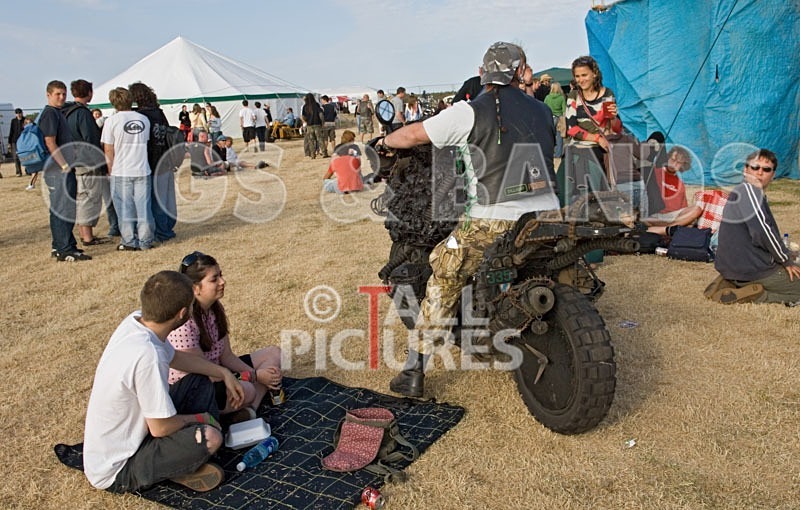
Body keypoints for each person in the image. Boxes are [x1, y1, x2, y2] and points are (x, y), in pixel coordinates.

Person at [380, 42, 557, 397]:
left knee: (442, 273)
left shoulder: (467, 111)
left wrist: (385, 139)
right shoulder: (543, 111)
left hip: (493, 219)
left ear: (482, 74)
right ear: (522, 71)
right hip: (545, 215)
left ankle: (414, 372)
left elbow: (413, 134)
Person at [83, 270, 245, 493]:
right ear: (181, 314)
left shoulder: (136, 322)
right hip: (120, 466)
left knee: (198, 380)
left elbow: (176, 357)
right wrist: (200, 418)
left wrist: (224, 373)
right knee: (210, 437)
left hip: (139, 434)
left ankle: (191, 450)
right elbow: (160, 428)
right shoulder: (148, 356)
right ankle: (181, 466)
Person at [168, 252, 284, 416]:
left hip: (219, 372)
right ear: (195, 288)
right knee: (249, 390)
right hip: (198, 388)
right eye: (214, 279)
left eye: (221, 275)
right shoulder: (185, 323)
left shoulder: (215, 308)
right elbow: (204, 374)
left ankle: (247, 412)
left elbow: (227, 356)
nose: (223, 282)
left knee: (274, 354)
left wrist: (258, 375)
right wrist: (256, 377)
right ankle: (244, 407)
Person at [712, 149, 800, 305]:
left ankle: (736, 282)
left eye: (766, 169)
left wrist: (786, 253)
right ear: (746, 170)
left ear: (772, 175)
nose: (759, 173)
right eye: (755, 167)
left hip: (741, 265)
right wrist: (785, 260)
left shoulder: (749, 193)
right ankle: (754, 294)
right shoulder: (748, 190)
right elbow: (762, 232)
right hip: (753, 268)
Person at [559, 55, 622, 206]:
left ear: (594, 73)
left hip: (598, 153)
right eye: (577, 76)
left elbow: (616, 129)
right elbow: (571, 129)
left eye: (584, 75)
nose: (581, 80)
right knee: (564, 196)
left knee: (594, 198)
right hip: (575, 152)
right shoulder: (574, 96)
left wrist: (613, 118)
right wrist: (597, 138)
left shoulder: (607, 94)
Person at [39, 80, 89, 261]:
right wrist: (64, 165)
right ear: (48, 95)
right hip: (58, 170)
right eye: (57, 94)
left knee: (63, 207)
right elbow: (50, 142)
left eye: (63, 94)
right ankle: (64, 248)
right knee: (62, 208)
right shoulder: (50, 114)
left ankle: (63, 244)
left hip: (60, 168)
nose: (61, 97)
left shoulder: (57, 113)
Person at [102, 86, 155, 251]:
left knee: (124, 208)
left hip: (121, 170)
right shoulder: (143, 119)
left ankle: (129, 240)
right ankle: (145, 240)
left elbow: (109, 149)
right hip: (141, 168)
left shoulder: (111, 121)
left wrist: (110, 170)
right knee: (144, 208)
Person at [64, 79, 115, 248]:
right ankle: (87, 237)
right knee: (89, 199)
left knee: (82, 198)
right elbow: (91, 140)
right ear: (89, 93)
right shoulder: (83, 113)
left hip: (73, 161)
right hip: (87, 163)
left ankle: (84, 233)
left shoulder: (66, 111)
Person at [130, 82, 177, 243]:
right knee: (167, 197)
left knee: (156, 199)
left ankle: (162, 231)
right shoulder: (159, 112)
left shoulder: (141, 117)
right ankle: (168, 227)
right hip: (166, 158)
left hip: (152, 160)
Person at [643, 146, 692, 223]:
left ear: (682, 166)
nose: (674, 164)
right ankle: (669, 229)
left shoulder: (681, 185)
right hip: (655, 215)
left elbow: (684, 209)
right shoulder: (654, 173)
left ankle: (668, 230)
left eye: (678, 162)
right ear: (667, 158)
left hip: (673, 218)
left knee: (695, 211)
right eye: (673, 160)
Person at [543, 82, 566, 158]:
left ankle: (550, 153)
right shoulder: (561, 98)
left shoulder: (547, 97)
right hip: (559, 118)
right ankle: (558, 154)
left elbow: (544, 108)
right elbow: (564, 110)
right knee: (559, 138)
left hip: (549, 118)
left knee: (550, 137)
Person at [302, 93, 326, 158]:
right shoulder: (316, 105)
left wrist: (307, 121)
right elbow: (321, 114)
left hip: (309, 125)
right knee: (320, 139)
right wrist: (322, 122)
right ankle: (324, 153)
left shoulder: (305, 106)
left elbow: (303, 116)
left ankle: (312, 154)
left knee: (311, 140)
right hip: (317, 124)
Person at [8, 108, 25, 177]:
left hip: (23, 141)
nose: (19, 115)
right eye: (17, 113)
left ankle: (28, 170)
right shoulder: (13, 121)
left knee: (25, 155)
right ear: (15, 114)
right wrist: (9, 142)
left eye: (20, 113)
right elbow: (11, 131)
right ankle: (18, 172)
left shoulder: (25, 120)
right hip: (14, 141)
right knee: (16, 157)